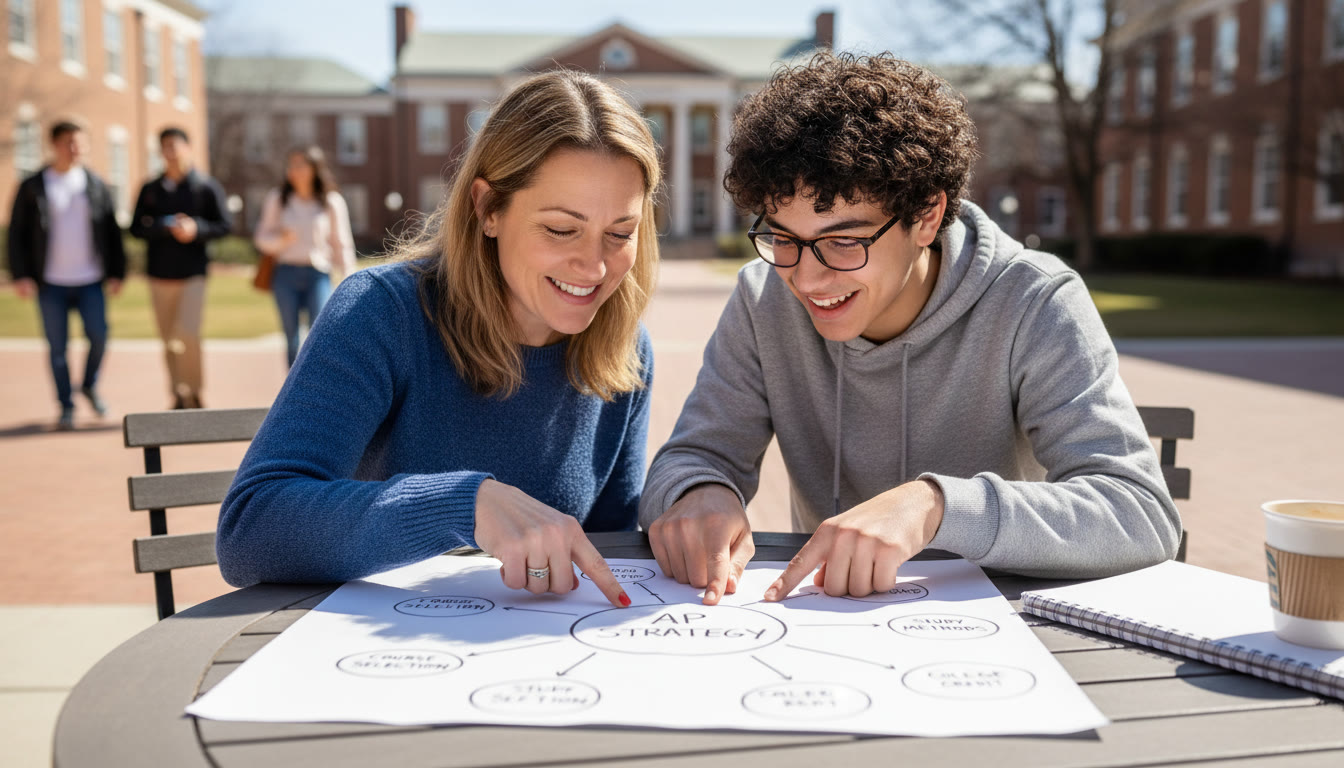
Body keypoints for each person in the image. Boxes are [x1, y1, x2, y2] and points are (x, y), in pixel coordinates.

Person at [640, 52, 1181, 605]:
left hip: (996, 634)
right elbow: (692, 457)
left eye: (845, 241)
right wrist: (698, 492)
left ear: (925, 216)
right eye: (783, 237)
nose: (806, 277)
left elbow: (1139, 513)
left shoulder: (1033, 299)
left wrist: (935, 507)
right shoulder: (763, 297)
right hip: (824, 624)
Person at [216, 70, 661, 609]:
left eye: (620, 233)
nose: (593, 266)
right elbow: (251, 529)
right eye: (561, 229)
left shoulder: (624, 349)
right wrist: (463, 505)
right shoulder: (382, 312)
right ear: (488, 209)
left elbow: (608, 553)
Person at [6, 120, 126, 430]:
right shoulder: (33, 185)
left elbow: (112, 232)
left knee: (99, 336)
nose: (77, 149)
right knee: (57, 349)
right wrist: (20, 274)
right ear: (54, 145)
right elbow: (16, 233)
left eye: (81, 143)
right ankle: (66, 405)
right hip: (51, 283)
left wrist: (117, 272)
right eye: (70, 143)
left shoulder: (95, 184)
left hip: (90, 280)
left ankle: (88, 384)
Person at [130, 127, 230, 409]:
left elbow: (225, 225)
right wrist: (163, 226)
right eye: (165, 147)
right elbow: (136, 228)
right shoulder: (150, 189)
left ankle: (195, 391)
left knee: (188, 332)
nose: (171, 153)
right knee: (168, 339)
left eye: (175, 146)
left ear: (188, 148)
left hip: (193, 274)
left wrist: (196, 229)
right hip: (159, 275)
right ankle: (178, 393)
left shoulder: (205, 186)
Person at [253, 146, 357, 367]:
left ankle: (316, 387)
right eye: (291, 165)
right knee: (291, 336)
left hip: (318, 274)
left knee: (318, 334)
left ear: (314, 168)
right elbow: (261, 237)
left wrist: (350, 278)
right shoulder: (278, 199)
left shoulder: (331, 201)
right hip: (285, 273)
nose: (294, 170)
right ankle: (293, 391)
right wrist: (281, 240)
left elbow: (342, 243)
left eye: (300, 165)